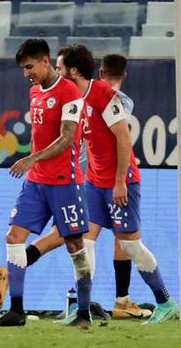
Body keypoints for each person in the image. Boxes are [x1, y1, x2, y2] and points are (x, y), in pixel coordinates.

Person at [0, 54, 150, 318]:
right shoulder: (116, 101)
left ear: (97, 72)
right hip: (91, 175)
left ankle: (93, 301)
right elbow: (116, 135)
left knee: (75, 237)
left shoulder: (76, 95)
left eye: (59, 67)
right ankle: (101, 302)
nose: (56, 71)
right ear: (124, 75)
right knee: (99, 239)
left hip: (83, 173)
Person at [53, 45, 178, 324]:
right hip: (95, 183)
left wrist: (120, 182)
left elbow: (123, 138)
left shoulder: (104, 95)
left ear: (73, 70)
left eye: (59, 68)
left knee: (131, 246)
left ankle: (165, 302)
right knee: (84, 243)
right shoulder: (75, 98)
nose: (56, 73)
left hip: (121, 183)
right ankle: (80, 307)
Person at [0, 39, 92, 328]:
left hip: (64, 182)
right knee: (13, 237)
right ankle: (16, 311)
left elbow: (67, 137)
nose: (26, 74)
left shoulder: (69, 92)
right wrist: (34, 164)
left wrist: (31, 159)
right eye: (23, 68)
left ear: (45, 61)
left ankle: (83, 312)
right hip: (36, 183)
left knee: (75, 245)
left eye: (29, 67)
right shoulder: (34, 91)